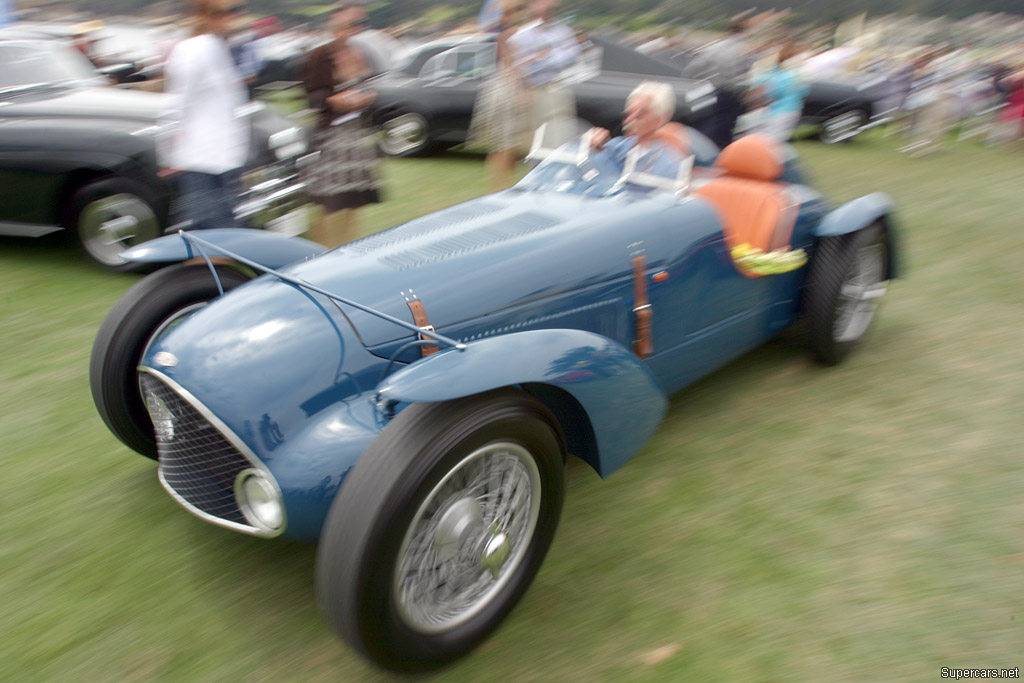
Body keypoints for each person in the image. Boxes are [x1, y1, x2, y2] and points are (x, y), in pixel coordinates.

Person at [158, 0, 249, 231]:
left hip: (225, 160)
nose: (232, 18)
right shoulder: (191, 50)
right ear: (206, 16)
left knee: (223, 235)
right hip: (201, 160)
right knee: (209, 238)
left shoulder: (219, 49)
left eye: (235, 11)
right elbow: (176, 103)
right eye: (225, 13)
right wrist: (168, 154)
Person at [301, 4, 381, 247]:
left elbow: (369, 85)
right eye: (344, 27)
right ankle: (319, 250)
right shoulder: (321, 55)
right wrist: (334, 101)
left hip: (354, 131)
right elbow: (313, 96)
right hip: (332, 133)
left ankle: (348, 246)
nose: (348, 31)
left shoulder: (357, 53)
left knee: (354, 199)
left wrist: (365, 98)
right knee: (329, 200)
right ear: (333, 29)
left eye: (353, 26)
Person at [468, 0, 529, 191]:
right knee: (505, 144)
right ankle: (500, 186)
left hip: (506, 87)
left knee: (508, 145)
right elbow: (512, 66)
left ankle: (501, 186)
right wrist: (521, 93)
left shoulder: (511, 32)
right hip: (507, 90)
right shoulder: (509, 34)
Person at [507, 0, 581, 152]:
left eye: (551, 7)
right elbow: (523, 67)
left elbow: (572, 56)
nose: (547, 9)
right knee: (536, 140)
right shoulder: (522, 35)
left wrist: (542, 58)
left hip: (557, 88)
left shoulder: (563, 31)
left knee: (560, 136)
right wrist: (553, 56)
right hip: (534, 92)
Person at [587, 81, 686, 181]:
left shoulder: (668, 167)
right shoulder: (615, 147)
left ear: (658, 120)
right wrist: (592, 149)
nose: (630, 120)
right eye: (629, 113)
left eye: (640, 115)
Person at [682, 19, 752, 149]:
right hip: (728, 93)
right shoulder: (739, 49)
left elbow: (692, 69)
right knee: (723, 130)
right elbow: (741, 77)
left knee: (715, 127)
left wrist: (701, 81)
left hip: (715, 90)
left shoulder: (716, 47)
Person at [750, 40, 808, 142]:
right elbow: (804, 93)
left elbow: (773, 92)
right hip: (792, 109)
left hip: (779, 111)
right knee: (775, 140)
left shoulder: (782, 74)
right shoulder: (797, 73)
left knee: (771, 140)